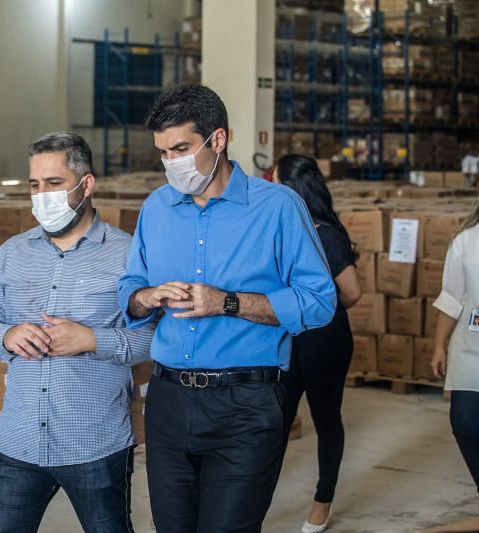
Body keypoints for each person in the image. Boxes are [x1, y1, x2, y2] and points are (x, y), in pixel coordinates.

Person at [117, 83, 337, 532]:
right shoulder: (156, 208)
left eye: (180, 148)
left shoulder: (278, 208)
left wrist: (228, 302)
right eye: (162, 153)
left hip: (246, 405)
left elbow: (319, 302)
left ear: (218, 139)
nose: (170, 163)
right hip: (168, 401)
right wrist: (146, 297)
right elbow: (131, 287)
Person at [0, 132, 154, 533]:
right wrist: (6, 336)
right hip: (17, 441)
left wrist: (91, 339)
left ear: (85, 185)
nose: (42, 196)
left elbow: (153, 341)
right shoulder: (11, 253)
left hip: (95, 444)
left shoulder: (128, 255)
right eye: (34, 185)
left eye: (53, 184)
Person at [273, 155, 362, 533]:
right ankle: (252, 497)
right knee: (274, 420)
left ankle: (321, 502)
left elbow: (353, 293)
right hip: (284, 339)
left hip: (325, 341)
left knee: (327, 420)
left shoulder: (326, 233)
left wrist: (315, 305)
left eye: (274, 181)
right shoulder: (276, 230)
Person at [431, 199, 479, 494]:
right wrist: (439, 345)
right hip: (471, 348)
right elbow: (451, 297)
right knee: (465, 423)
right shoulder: (466, 240)